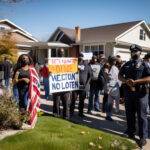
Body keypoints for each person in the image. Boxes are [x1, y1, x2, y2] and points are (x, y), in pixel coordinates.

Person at [119, 44, 150, 147]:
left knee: (142, 116)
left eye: (135, 51)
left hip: (141, 94)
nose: (133, 53)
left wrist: (136, 81)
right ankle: (131, 132)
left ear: (140, 53)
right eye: (132, 51)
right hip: (129, 93)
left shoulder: (145, 64)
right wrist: (125, 80)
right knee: (129, 114)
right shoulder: (127, 64)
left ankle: (142, 137)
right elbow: (119, 75)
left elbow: (149, 78)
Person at [13, 54, 40, 128]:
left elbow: (36, 79)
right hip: (19, 89)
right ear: (21, 60)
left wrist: (31, 81)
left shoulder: (32, 69)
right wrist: (22, 79)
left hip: (29, 90)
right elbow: (14, 81)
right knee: (21, 104)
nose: (25, 59)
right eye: (23, 58)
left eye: (26, 58)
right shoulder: (18, 70)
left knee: (26, 103)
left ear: (29, 59)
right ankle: (21, 119)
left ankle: (27, 119)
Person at [70, 53, 92, 117]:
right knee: (73, 99)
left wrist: (87, 84)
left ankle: (80, 113)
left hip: (83, 86)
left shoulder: (87, 65)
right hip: (75, 85)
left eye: (81, 57)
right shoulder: (73, 64)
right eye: (79, 56)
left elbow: (90, 75)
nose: (80, 58)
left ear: (83, 58)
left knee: (82, 100)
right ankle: (71, 112)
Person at [52, 48, 71, 119]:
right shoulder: (54, 61)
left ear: (64, 53)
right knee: (56, 102)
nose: (61, 53)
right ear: (58, 53)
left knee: (66, 102)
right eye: (60, 52)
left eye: (62, 52)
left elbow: (71, 71)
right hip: (56, 85)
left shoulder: (68, 62)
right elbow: (51, 71)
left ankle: (66, 115)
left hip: (65, 85)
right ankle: (56, 114)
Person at [104, 56, 120, 121]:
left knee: (110, 102)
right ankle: (109, 114)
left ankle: (109, 114)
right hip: (112, 86)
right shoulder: (111, 67)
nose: (115, 61)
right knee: (111, 102)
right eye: (114, 60)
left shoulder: (113, 67)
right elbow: (109, 76)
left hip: (113, 86)